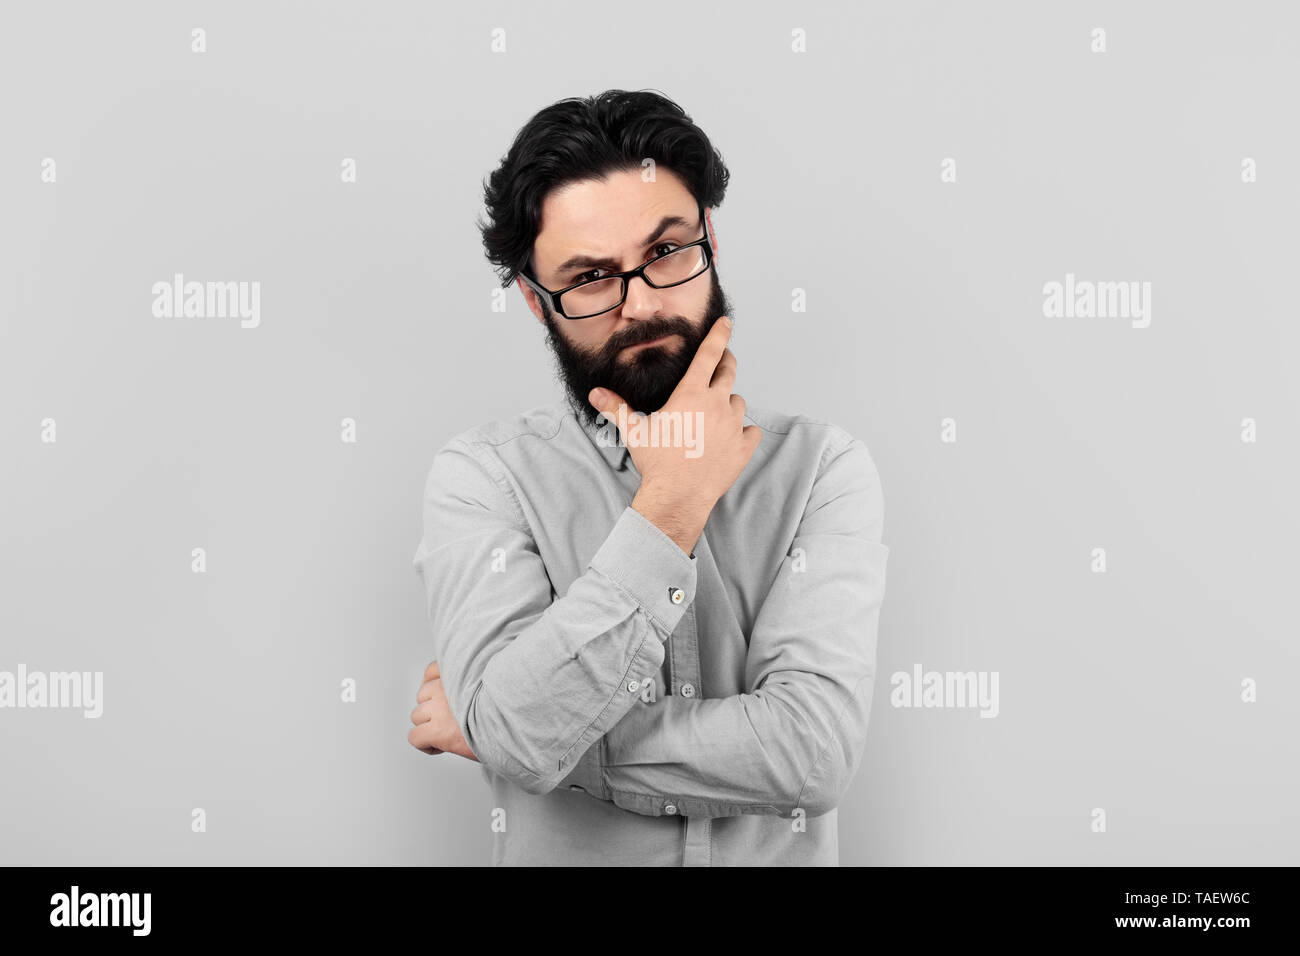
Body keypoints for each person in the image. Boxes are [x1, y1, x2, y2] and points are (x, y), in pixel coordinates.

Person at [409, 89, 889, 865]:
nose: (641, 305)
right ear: (537, 304)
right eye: (591, 276)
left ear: (711, 245)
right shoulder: (482, 480)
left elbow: (812, 753)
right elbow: (519, 732)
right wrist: (672, 505)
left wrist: (513, 738)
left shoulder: (822, 471)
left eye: (666, 252)